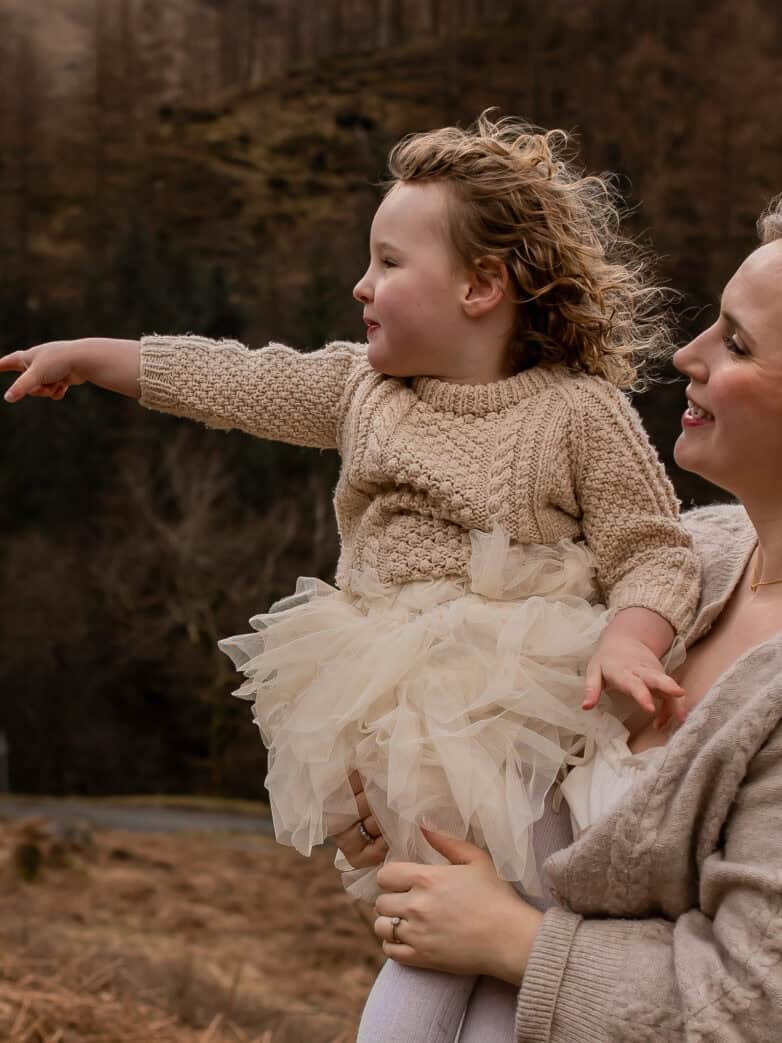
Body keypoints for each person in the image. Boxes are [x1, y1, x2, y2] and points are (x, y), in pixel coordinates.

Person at [0, 115, 700, 1041]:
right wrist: (95, 358)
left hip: (525, 718)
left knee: (503, 930)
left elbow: (655, 546)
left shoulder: (578, 413)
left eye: (388, 263)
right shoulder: (364, 390)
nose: (360, 285)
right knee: (432, 933)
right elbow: (237, 378)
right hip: (393, 709)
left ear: (482, 284)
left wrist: (630, 635)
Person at [338, 193, 782, 1041]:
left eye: (736, 342)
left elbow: (754, 1006)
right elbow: (499, 733)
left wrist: (511, 939)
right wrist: (411, 807)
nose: (686, 355)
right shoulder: (682, 558)